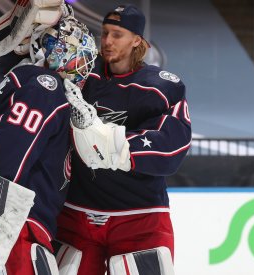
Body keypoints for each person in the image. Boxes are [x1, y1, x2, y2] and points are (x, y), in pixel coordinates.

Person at [0, 9, 98, 275]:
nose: (83, 68)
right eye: (80, 58)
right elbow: (11, 143)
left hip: (11, 219)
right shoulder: (46, 86)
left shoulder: (30, 81)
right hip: (14, 220)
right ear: (61, 53)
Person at [56, 4, 192, 274]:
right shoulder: (82, 76)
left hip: (139, 219)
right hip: (76, 215)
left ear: (137, 41)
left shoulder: (161, 87)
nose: (107, 41)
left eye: (117, 34)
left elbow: (171, 146)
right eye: (105, 33)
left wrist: (108, 142)